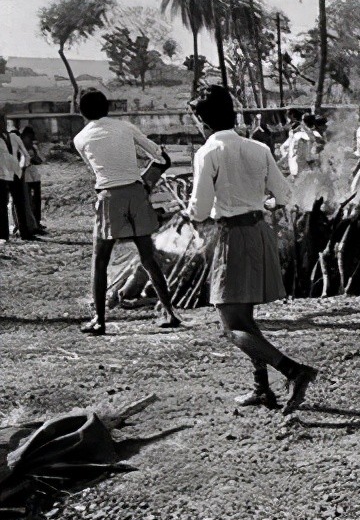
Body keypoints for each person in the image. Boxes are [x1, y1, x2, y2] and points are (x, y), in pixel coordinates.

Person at [185, 84, 317, 413]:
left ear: (203, 119)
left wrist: (190, 213)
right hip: (259, 232)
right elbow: (284, 195)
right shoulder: (258, 148)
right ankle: (262, 389)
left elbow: (200, 210)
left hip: (233, 237)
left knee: (231, 328)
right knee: (246, 320)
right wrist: (257, 202)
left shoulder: (208, 152)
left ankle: (294, 371)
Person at [71, 90, 181, 335]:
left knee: (100, 260)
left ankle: (99, 319)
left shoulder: (80, 139)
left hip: (109, 196)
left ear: (81, 111)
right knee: (148, 257)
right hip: (136, 193)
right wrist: (146, 179)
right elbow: (161, 157)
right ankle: (170, 312)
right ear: (108, 107)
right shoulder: (126, 128)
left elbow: (96, 172)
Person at [0, 110, 36, 243]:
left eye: (3, 121)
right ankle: (3, 235)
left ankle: (25, 232)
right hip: (2, 175)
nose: (1, 124)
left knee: (20, 203)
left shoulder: (14, 137)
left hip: (16, 174)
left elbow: (25, 155)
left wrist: (21, 167)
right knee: (2, 205)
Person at [19, 127, 47, 234]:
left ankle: (37, 222)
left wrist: (34, 159)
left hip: (34, 176)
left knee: (37, 200)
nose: (30, 139)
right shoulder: (19, 147)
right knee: (28, 201)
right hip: (25, 177)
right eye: (28, 137)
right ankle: (31, 223)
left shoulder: (33, 147)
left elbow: (39, 160)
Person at [279, 112, 314, 177]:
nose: (302, 122)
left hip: (300, 157)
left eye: (303, 121)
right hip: (298, 156)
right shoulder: (300, 129)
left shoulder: (303, 133)